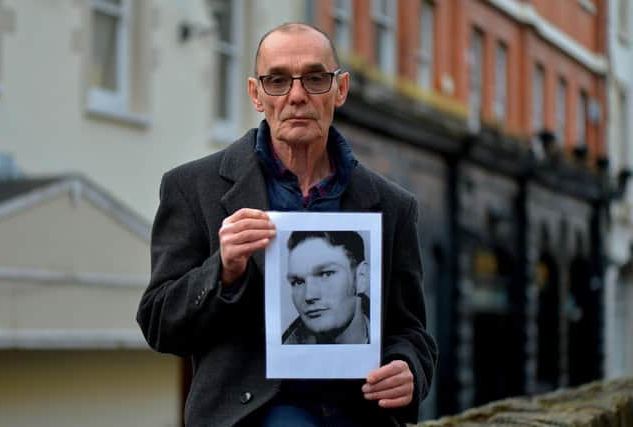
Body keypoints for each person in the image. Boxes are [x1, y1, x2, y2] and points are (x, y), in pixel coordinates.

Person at [137, 22, 438, 427]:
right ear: (256, 94)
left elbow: (412, 331)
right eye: (277, 80)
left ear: (340, 89)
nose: (296, 96)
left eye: (315, 78)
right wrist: (222, 271)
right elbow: (159, 326)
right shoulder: (193, 188)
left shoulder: (393, 205)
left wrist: (408, 369)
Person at [282, 231, 370, 345]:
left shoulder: (391, 343)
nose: (309, 295)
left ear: (361, 278)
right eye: (298, 282)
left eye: (325, 274)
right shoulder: (279, 356)